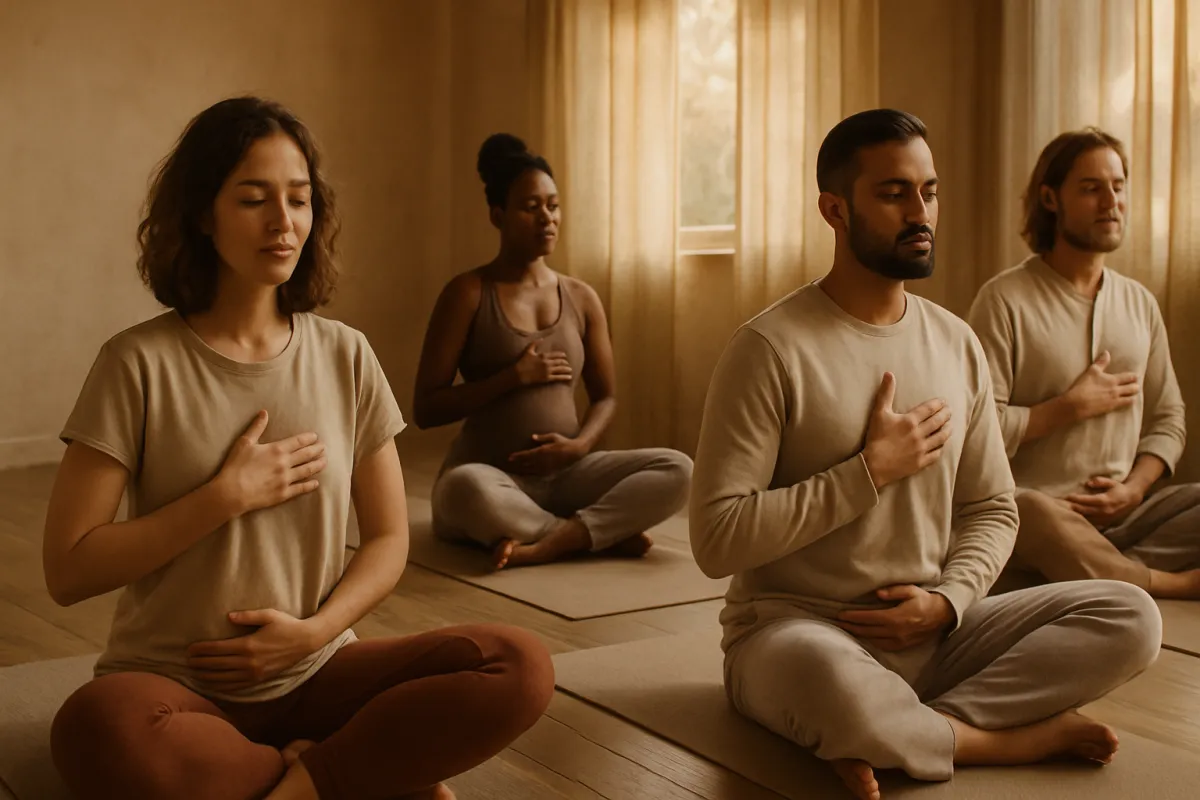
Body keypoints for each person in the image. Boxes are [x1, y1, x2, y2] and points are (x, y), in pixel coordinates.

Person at [42, 97, 553, 800]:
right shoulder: (136, 363)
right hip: (175, 686)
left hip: (316, 672)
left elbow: (387, 540)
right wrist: (224, 497)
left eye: (300, 199)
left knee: (517, 662)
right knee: (94, 728)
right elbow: (68, 570)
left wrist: (312, 634)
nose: (284, 223)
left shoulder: (346, 354)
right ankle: (353, 776)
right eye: (254, 199)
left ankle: (306, 783)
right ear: (201, 214)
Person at [689, 109, 1161, 800]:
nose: (921, 212)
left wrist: (948, 602)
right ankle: (1000, 740)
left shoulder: (955, 342)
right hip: (801, 632)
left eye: (929, 191)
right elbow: (716, 540)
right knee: (830, 686)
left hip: (936, 637)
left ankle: (900, 732)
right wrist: (868, 472)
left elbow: (994, 508)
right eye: (893, 193)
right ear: (835, 209)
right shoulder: (769, 349)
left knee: (1132, 617)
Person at [412, 133, 693, 570]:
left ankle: (553, 538)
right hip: (491, 476)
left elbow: (606, 397)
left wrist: (580, 447)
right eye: (531, 207)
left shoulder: (581, 297)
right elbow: (426, 408)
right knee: (463, 488)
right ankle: (594, 533)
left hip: (568, 478)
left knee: (679, 469)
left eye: (553, 205)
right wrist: (512, 378)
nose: (547, 217)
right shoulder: (467, 294)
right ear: (498, 215)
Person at [968, 128, 1200, 599]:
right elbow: (977, 428)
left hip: (1126, 517)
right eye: (1092, 188)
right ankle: (1164, 584)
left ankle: (1098, 571)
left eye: (1118, 186)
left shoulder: (1139, 303)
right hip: (1037, 518)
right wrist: (1066, 408)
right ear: (1051, 199)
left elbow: (1168, 420)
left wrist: (1133, 489)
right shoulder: (1004, 300)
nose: (1110, 201)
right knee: (1026, 509)